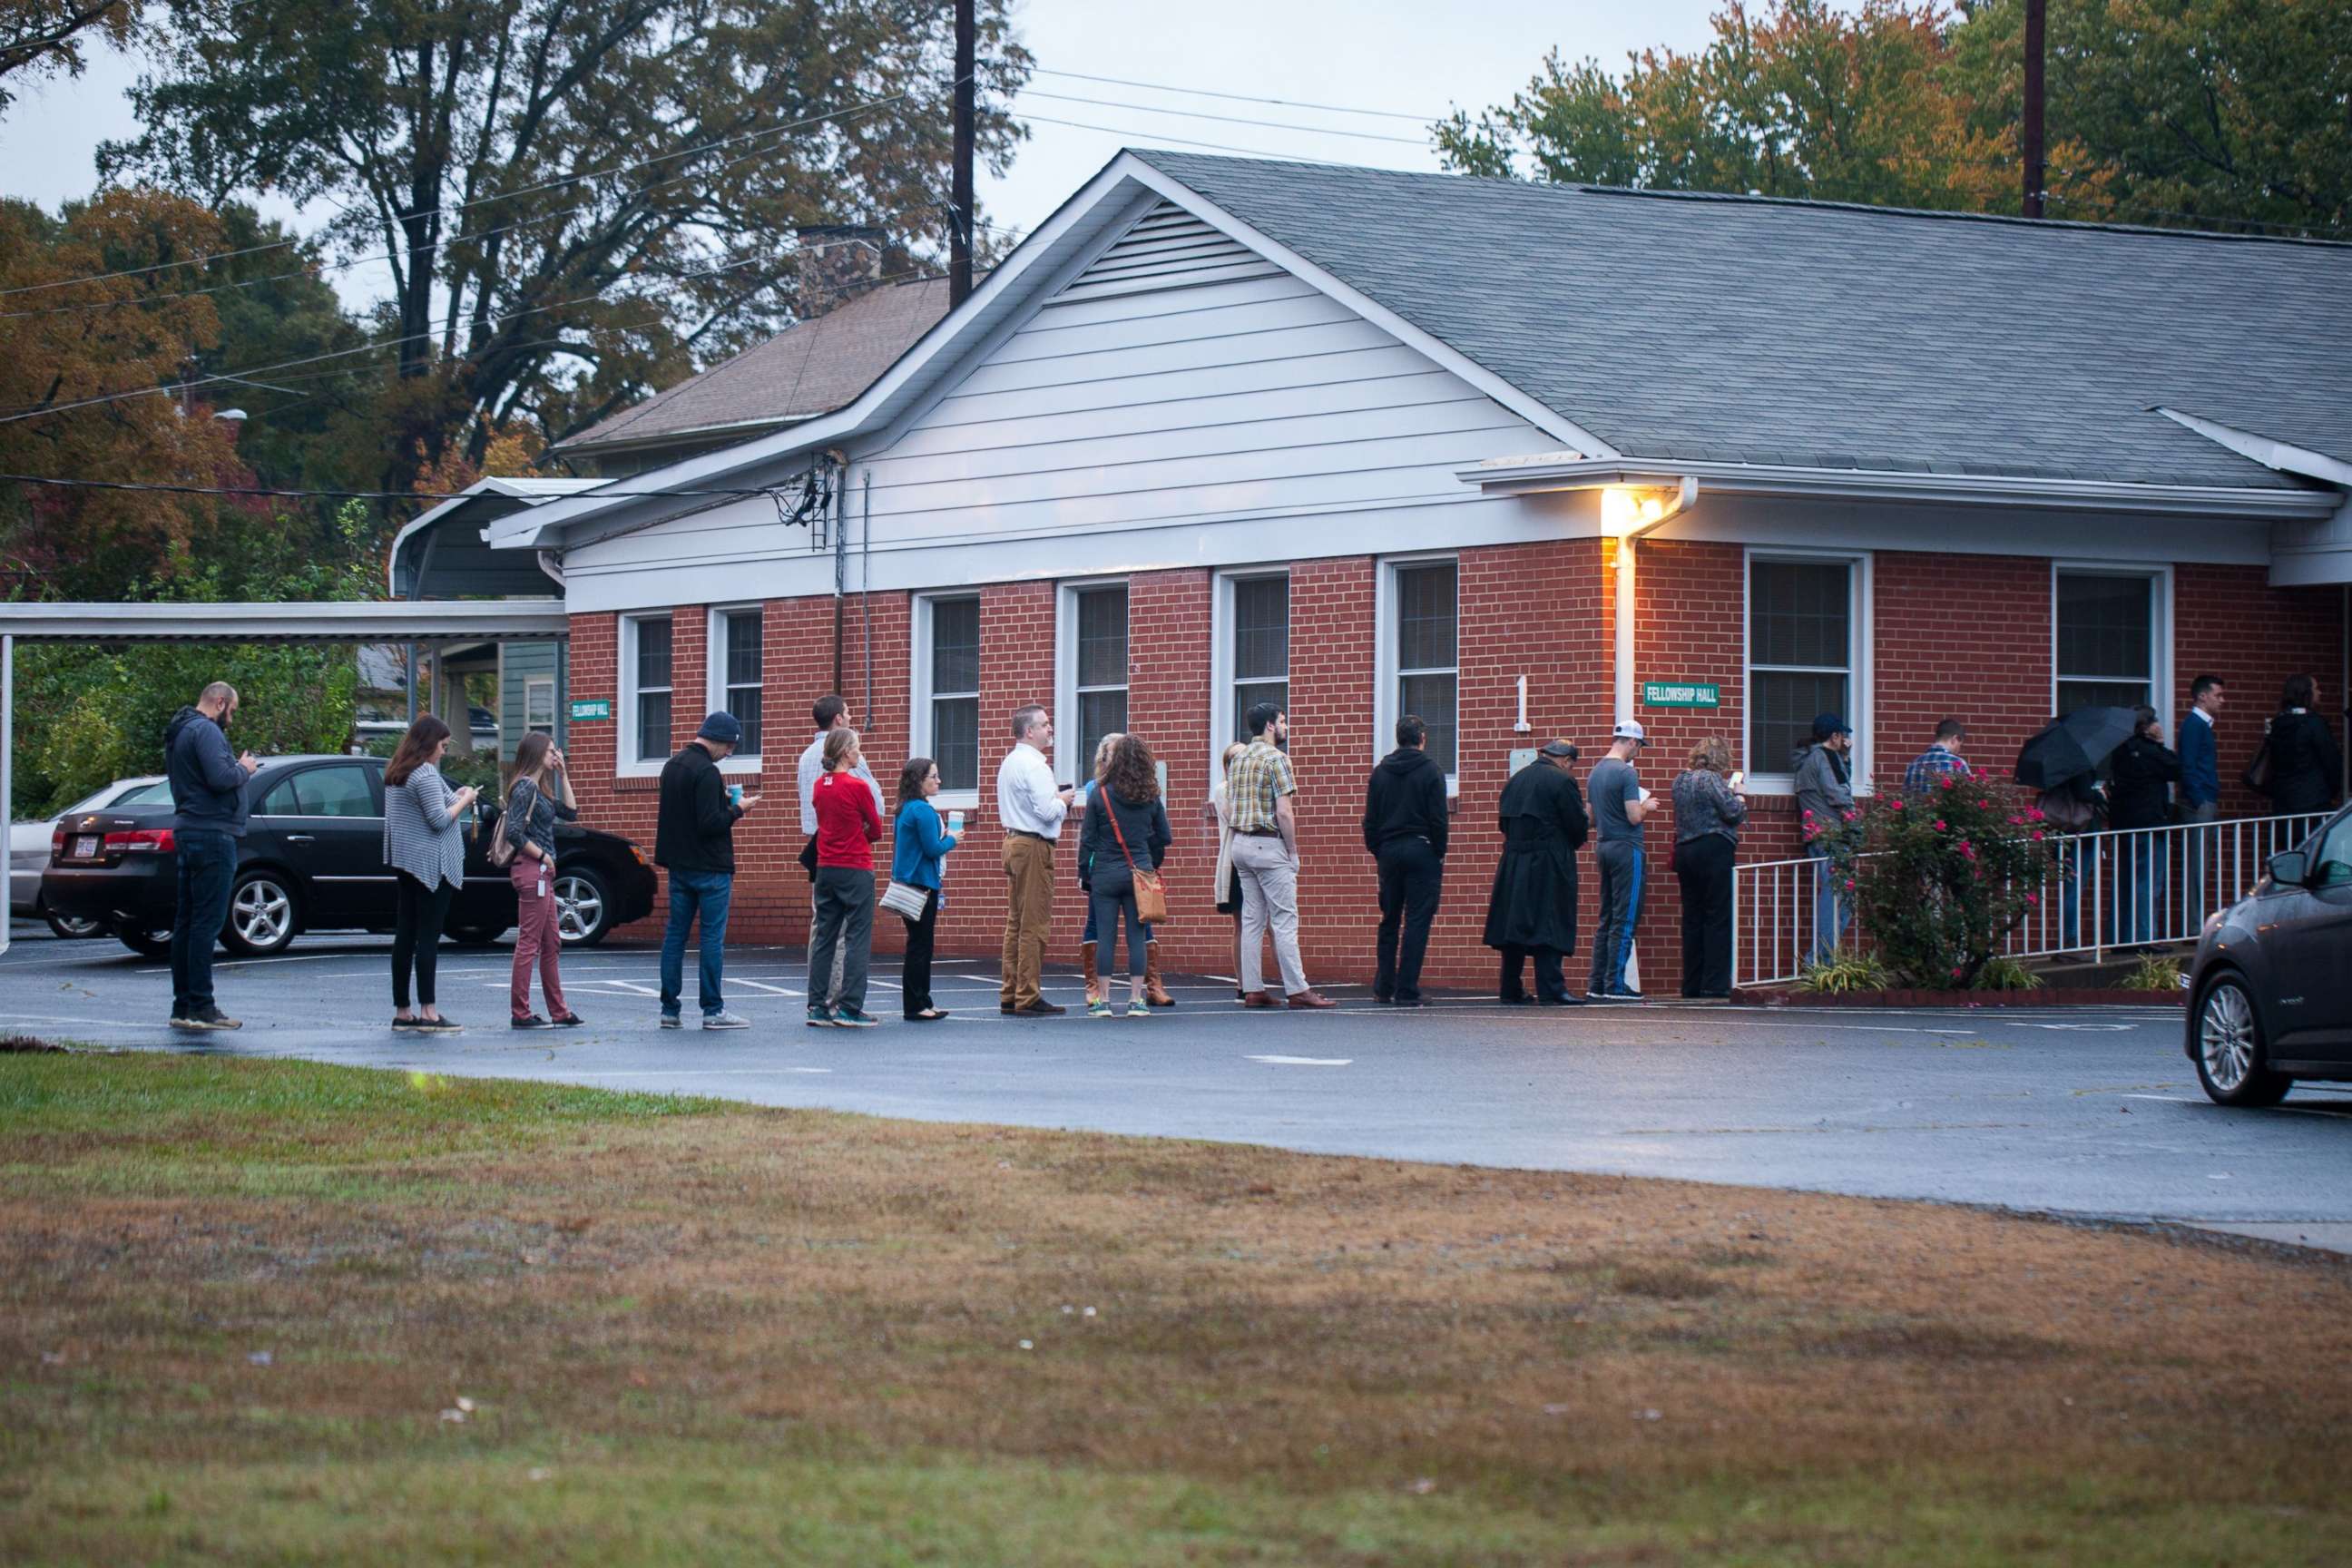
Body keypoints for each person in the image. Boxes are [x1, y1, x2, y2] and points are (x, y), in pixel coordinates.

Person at [165, 681, 260, 1031]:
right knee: (206, 923)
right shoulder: (206, 731)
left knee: (187, 923)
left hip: (190, 830)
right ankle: (202, 1006)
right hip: (212, 834)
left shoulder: (181, 731)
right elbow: (221, 778)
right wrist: (244, 769)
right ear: (220, 702)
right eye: (231, 711)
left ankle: (183, 1005)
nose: (231, 719)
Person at [1228, 703, 1336, 1009]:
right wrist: (1292, 850)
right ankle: (1298, 989)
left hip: (1241, 844)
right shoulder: (1278, 759)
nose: (1286, 727)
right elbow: (1284, 812)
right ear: (1271, 726)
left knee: (1251, 919)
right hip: (1268, 844)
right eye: (1283, 721)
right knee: (1285, 919)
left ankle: (1253, 989)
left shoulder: (1238, 759)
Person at [655, 710, 758, 1029]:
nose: (728, 753)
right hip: (710, 869)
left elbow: (685, 811)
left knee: (675, 937)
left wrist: (719, 799)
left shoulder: (672, 766)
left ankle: (669, 1010)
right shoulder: (708, 772)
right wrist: (737, 809)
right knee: (712, 939)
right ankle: (713, 1010)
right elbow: (710, 823)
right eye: (728, 746)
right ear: (717, 740)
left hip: (679, 866)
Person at [380, 714, 480, 1033]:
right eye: (443, 745)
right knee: (428, 939)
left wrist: (461, 794)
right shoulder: (424, 774)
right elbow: (439, 819)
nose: (444, 752)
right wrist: (466, 800)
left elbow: (440, 803)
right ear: (429, 743)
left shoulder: (398, 771)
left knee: (405, 937)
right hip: (430, 867)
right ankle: (429, 1012)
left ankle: (403, 1011)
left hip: (407, 864)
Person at [1482, 740, 1588, 1005]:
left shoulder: (1516, 780)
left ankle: (1510, 987)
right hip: (1549, 858)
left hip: (1513, 858)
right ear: (1565, 760)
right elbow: (1577, 826)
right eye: (1571, 765)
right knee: (1550, 919)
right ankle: (1551, 988)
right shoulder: (1562, 781)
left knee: (1513, 924)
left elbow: (1502, 824)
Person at [1077, 733, 1172, 1018]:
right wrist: (1150, 864)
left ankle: (1103, 1001)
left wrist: (1086, 873)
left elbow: (1088, 840)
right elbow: (1163, 837)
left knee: (1105, 938)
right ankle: (1136, 1000)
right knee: (1137, 937)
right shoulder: (1151, 796)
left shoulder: (1100, 793)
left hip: (1105, 873)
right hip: (1139, 871)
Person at [1362, 714, 1449, 1005]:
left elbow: (1370, 820)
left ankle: (1383, 987)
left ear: (1398, 738)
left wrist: (1378, 849)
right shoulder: (1431, 771)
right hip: (1421, 849)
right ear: (1422, 739)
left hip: (1389, 851)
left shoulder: (1380, 772)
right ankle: (1407, 989)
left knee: (1389, 919)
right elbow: (1438, 819)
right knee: (1417, 921)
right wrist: (1438, 851)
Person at [996, 705, 1076, 1015]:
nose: (1049, 729)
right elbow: (1046, 811)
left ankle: (1010, 990)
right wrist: (1063, 801)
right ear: (1029, 731)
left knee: (1015, 922)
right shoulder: (1036, 766)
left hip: (1014, 840)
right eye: (1044, 725)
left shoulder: (1010, 762)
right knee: (1034, 923)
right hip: (1033, 845)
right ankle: (1027, 995)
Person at [799, 694, 880, 995]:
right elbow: (876, 808)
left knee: (822, 928)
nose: (851, 716)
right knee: (848, 932)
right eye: (847, 712)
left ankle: (818, 996)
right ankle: (840, 996)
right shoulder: (849, 758)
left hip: (818, 847)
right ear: (838, 719)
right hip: (848, 847)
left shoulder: (807, 756)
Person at [502, 731, 582, 1029]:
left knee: (552, 942)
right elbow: (513, 832)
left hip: (543, 873)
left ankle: (559, 1011)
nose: (554, 755)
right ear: (536, 754)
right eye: (550, 752)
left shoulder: (540, 788)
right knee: (529, 943)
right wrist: (544, 857)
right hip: (532, 869)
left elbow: (571, 813)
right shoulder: (524, 787)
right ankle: (520, 1013)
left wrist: (563, 774)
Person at [1671, 737, 1748, 999]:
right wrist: (1738, 793)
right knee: (1717, 916)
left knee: (1692, 918)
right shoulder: (1712, 779)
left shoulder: (1680, 780)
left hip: (1685, 850)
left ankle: (1691, 985)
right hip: (1714, 848)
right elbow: (1733, 813)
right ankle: (1714, 984)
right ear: (1720, 758)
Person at [1585, 722, 1656, 1002]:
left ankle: (1597, 983)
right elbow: (1634, 817)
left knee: (1607, 917)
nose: (1637, 752)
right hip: (1628, 847)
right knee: (1626, 917)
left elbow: (1589, 819)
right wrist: (1646, 806)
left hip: (1603, 845)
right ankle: (1614, 986)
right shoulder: (1627, 773)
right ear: (1631, 742)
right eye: (1638, 746)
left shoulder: (1595, 772)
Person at [890, 756, 960, 1022]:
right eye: (934, 776)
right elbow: (933, 849)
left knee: (916, 945)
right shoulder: (922, 810)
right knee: (921, 946)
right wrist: (952, 839)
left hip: (908, 883)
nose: (938, 780)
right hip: (922, 885)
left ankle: (918, 1002)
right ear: (920, 780)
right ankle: (918, 1004)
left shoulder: (905, 808)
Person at [2106, 707, 2180, 950]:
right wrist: (2159, 743)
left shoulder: (2120, 751)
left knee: (2125, 882)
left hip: (2123, 825)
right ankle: (2146, 937)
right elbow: (2176, 768)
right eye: (2156, 721)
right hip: (2148, 824)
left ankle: (2122, 939)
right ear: (2147, 726)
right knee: (2148, 882)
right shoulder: (2150, 752)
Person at [1793, 713, 1857, 960]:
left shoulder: (1811, 758)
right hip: (1831, 834)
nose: (1846, 739)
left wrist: (1845, 757)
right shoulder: (1825, 757)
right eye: (1843, 735)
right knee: (1837, 898)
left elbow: (1837, 780)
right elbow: (1838, 793)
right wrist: (1855, 824)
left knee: (1838, 896)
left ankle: (1821, 955)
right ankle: (1821, 958)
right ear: (1835, 736)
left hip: (1816, 833)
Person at [2260, 673, 2344, 818]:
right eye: (2316, 688)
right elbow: (2331, 761)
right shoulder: (2315, 724)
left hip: (2283, 801)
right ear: (2306, 692)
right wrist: (2332, 791)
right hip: (2314, 801)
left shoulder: (2278, 724)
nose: (2319, 692)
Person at [2178, 673, 2225, 919]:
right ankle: (2193, 925)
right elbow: (2187, 765)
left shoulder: (2200, 726)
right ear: (2202, 696)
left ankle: (2194, 923)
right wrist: (2199, 800)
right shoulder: (2194, 725)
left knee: (2201, 864)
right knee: (2196, 865)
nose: (2222, 700)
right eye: (2218, 695)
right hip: (2198, 803)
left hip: (2203, 799)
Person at [1207, 740, 1250, 1003]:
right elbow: (1235, 817)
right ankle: (1242, 982)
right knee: (1241, 924)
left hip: (1254, 860)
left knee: (1270, 925)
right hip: (1235, 862)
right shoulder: (1225, 790)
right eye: (1232, 760)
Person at [1902, 720, 1972, 794]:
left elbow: (1906, 796)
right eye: (1960, 745)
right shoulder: (1957, 763)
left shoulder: (1913, 764)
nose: (1959, 750)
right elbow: (1969, 795)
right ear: (1954, 739)